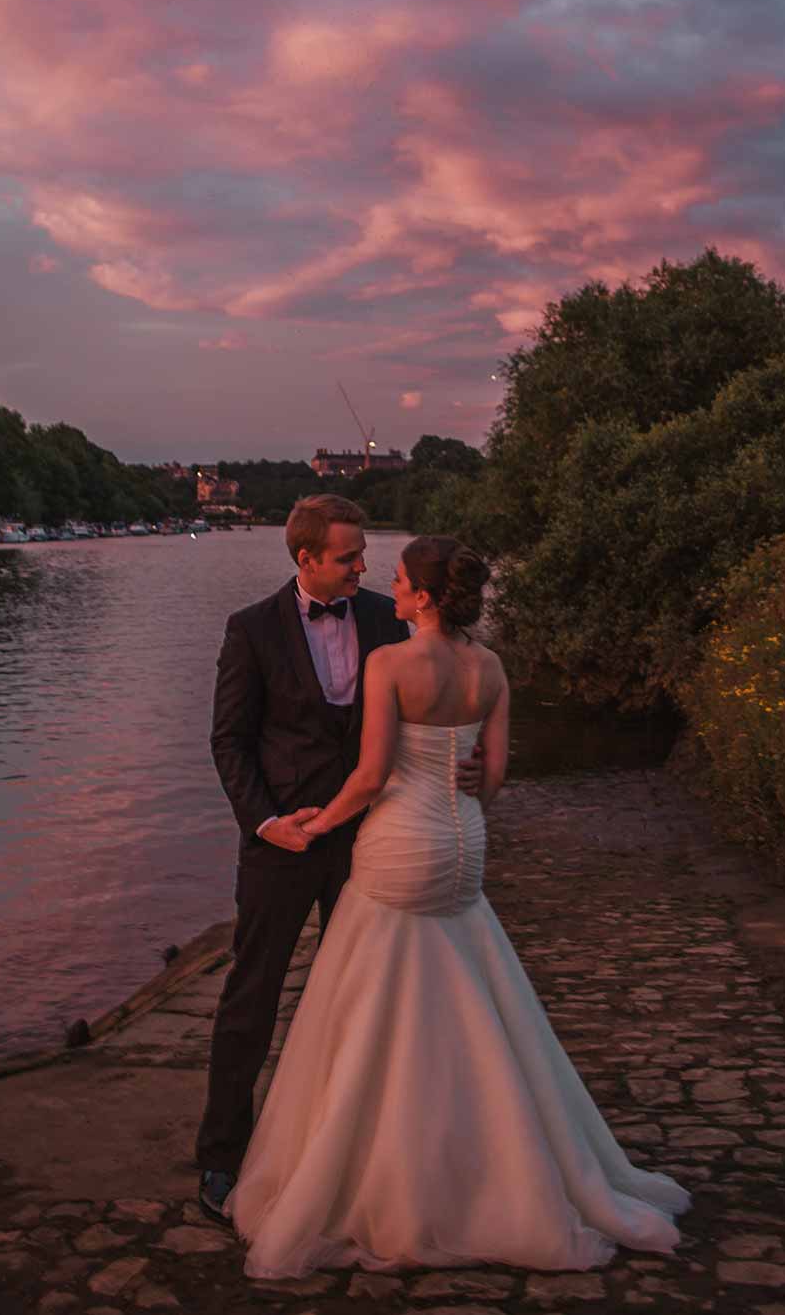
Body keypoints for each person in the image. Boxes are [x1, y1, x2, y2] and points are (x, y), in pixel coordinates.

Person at [226, 535, 689, 1277]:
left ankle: (392, 1170)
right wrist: (460, 785)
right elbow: (493, 776)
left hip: (401, 842)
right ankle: (490, 1160)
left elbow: (371, 776)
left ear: (425, 597)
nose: (390, 587)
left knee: (379, 1003)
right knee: (465, 992)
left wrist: (316, 824)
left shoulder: (391, 664)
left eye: (402, 581)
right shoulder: (491, 668)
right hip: (463, 840)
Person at [195, 496, 485, 1222]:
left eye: (363, 555)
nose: (363, 567)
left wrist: (469, 759)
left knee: (361, 1000)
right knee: (252, 998)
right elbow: (229, 741)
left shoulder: (388, 618)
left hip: (371, 839)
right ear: (307, 559)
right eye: (349, 557)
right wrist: (266, 823)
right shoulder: (251, 629)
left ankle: (346, 1154)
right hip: (282, 844)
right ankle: (222, 1157)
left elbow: (433, 706)